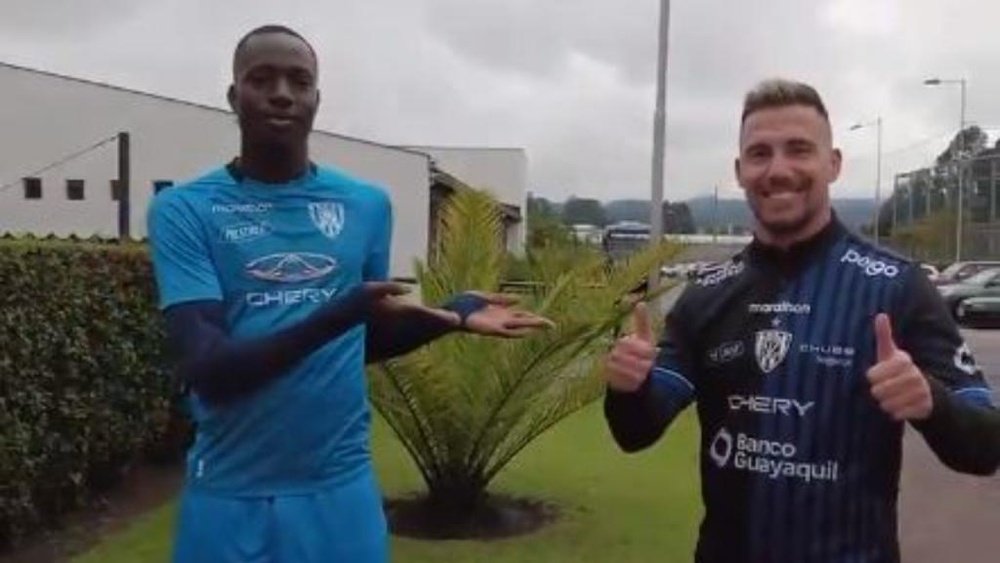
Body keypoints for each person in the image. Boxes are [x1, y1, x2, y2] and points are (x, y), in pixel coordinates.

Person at [147, 25, 551, 563]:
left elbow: (363, 337)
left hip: (340, 492)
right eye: (261, 78)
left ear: (317, 99)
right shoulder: (184, 210)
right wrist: (338, 313)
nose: (282, 93)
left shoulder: (364, 205)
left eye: (299, 80)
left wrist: (451, 316)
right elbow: (212, 373)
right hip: (231, 495)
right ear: (233, 97)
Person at [602, 78, 1000, 563]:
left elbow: (985, 446)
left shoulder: (897, 287)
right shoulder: (708, 293)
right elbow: (635, 432)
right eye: (760, 154)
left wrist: (931, 402)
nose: (778, 169)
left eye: (798, 150)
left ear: (832, 164)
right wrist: (627, 389)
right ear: (740, 171)